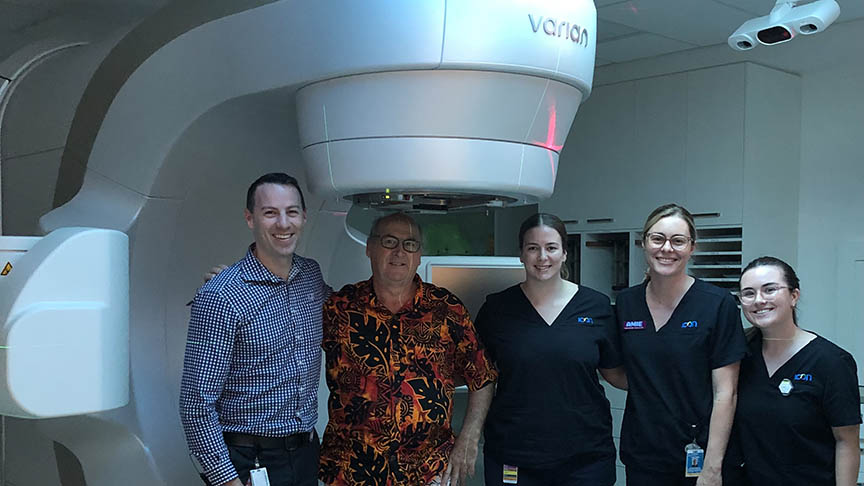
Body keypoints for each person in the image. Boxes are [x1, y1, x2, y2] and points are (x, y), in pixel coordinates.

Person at [318, 212, 498, 486]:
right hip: (352, 471)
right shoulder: (339, 308)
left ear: (419, 255)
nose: (400, 251)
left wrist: (469, 439)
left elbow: (482, 376)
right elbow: (288, 336)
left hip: (429, 470)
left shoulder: (446, 309)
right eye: (389, 241)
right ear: (370, 248)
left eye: (410, 244)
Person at [180, 173, 328, 486]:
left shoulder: (310, 277)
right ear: (250, 219)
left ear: (303, 217)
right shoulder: (221, 296)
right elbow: (195, 403)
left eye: (291, 212)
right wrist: (226, 480)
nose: (283, 224)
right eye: (270, 213)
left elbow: (352, 314)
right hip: (249, 461)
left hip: (305, 454)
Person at [473, 213, 627, 486]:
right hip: (515, 453)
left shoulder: (596, 306)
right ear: (521, 254)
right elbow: (478, 376)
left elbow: (615, 373)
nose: (542, 257)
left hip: (585, 457)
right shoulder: (497, 309)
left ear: (565, 253)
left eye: (551, 247)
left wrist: (671, 380)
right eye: (533, 248)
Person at [614, 203, 747, 486]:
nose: (667, 248)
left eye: (678, 241)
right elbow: (616, 370)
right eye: (657, 238)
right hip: (644, 453)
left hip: (698, 453)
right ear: (643, 242)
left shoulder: (717, 304)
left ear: (692, 247)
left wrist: (712, 467)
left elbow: (727, 392)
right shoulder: (626, 303)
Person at [732, 256, 861, 486]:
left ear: (794, 296)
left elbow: (846, 442)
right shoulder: (739, 355)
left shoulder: (831, 362)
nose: (759, 300)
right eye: (749, 293)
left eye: (769, 289)